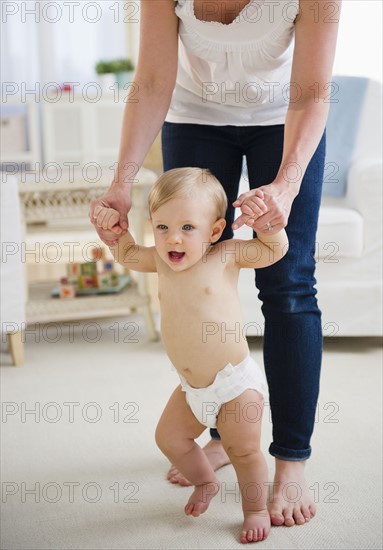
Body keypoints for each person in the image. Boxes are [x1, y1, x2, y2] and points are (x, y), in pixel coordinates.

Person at [89, 0, 341, 528]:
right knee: (188, 269)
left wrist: (286, 187)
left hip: (284, 118)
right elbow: (155, 78)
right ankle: (227, 432)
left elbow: (312, 91)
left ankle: (290, 458)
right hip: (195, 118)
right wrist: (119, 185)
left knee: (289, 284)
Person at [95, 167, 289, 543]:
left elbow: (274, 250)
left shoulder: (226, 255)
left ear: (214, 231)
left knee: (244, 451)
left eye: (188, 228)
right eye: (163, 227)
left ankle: (255, 508)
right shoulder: (158, 260)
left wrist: (267, 225)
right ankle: (205, 481)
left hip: (234, 384)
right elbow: (129, 253)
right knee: (169, 439)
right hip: (191, 388)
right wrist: (112, 236)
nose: (173, 239)